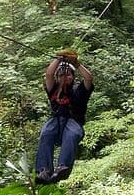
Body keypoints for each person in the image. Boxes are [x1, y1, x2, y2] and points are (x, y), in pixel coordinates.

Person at [35, 49, 93, 184]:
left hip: (73, 122)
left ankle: (63, 167)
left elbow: (88, 78)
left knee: (72, 135)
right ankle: (44, 170)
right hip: (56, 121)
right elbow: (49, 74)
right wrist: (59, 59)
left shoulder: (79, 90)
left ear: (73, 76)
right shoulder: (54, 90)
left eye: (68, 75)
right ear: (57, 78)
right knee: (46, 133)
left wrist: (76, 64)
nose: (64, 78)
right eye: (61, 75)